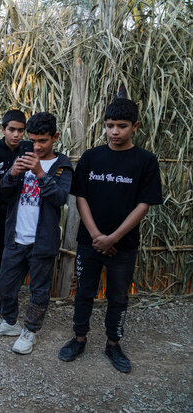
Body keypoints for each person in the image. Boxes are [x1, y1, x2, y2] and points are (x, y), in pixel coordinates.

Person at [58, 98, 162, 373]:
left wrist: (113, 237)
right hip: (89, 242)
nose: (115, 132)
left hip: (123, 246)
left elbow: (144, 205)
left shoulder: (146, 161)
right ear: (104, 126)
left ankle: (113, 344)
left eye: (122, 126)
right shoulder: (92, 157)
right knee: (84, 292)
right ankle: (79, 338)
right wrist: (96, 236)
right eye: (110, 126)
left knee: (118, 297)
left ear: (135, 126)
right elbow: (81, 197)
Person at [0, 112, 73, 355]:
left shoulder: (62, 166)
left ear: (55, 137)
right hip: (15, 236)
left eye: (42, 141)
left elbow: (60, 199)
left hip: (42, 242)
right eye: (32, 140)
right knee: (5, 282)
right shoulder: (21, 158)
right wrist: (12, 173)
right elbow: (3, 193)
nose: (37, 146)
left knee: (39, 290)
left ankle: (30, 331)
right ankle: (9, 322)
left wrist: (41, 174)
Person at [0, 110, 26, 319]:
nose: (16, 134)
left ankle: (13, 295)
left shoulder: (27, 151)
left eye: (20, 130)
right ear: (3, 130)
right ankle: (1, 299)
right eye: (12, 129)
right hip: (1, 215)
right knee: (4, 255)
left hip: (23, 214)